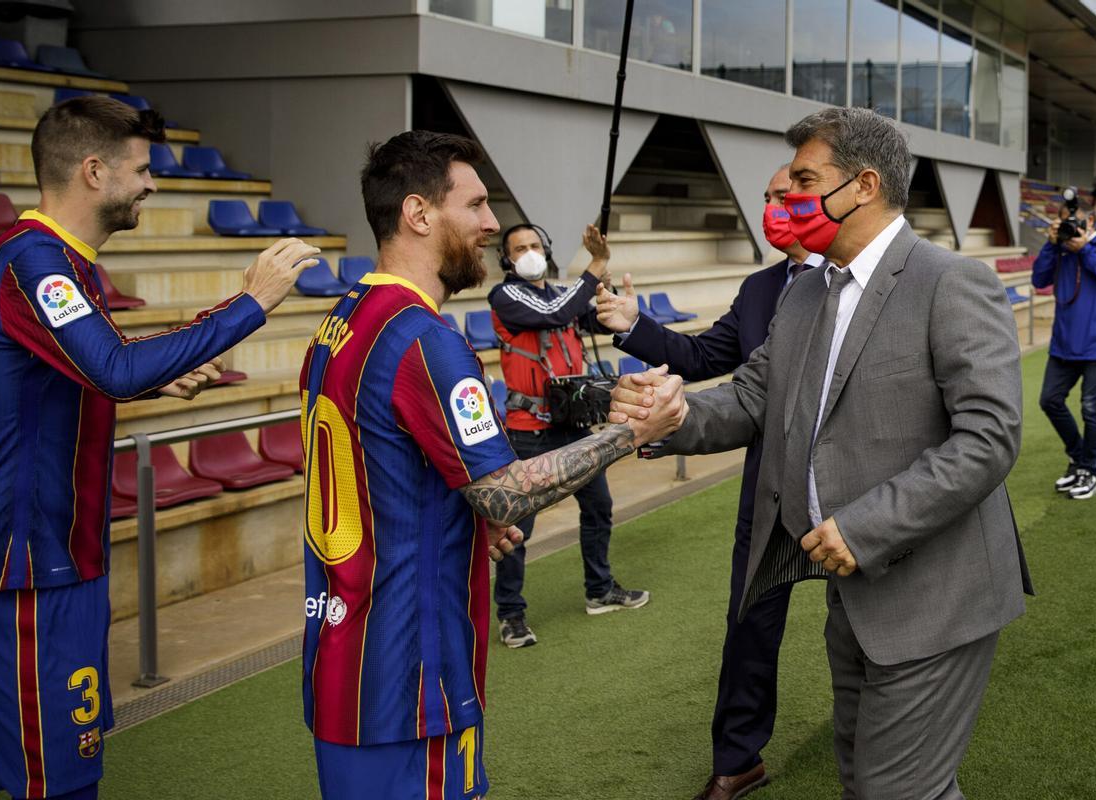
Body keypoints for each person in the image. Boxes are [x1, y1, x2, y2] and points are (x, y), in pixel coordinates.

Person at [611, 107, 1032, 799]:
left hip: (937, 597)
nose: (791, 200)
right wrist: (674, 414)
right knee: (870, 779)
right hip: (855, 602)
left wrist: (864, 528)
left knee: (895, 790)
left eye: (806, 180)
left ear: (864, 185)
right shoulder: (806, 290)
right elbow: (751, 398)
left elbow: (988, 439)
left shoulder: (950, 282)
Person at [299, 130, 685, 800]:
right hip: (409, 671)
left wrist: (466, 520)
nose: (490, 225)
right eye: (476, 205)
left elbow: (384, 472)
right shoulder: (424, 338)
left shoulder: (342, 318)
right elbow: (503, 496)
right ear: (419, 214)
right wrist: (630, 432)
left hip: (345, 654)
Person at [0, 96, 319, 800]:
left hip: (63, 555)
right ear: (94, 172)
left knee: (69, 763)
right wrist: (251, 301)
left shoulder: (63, 263)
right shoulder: (34, 264)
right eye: (142, 169)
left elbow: (80, 373)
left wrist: (150, 382)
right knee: (54, 781)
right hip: (28, 561)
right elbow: (113, 368)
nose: (153, 183)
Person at [594, 164, 824, 800]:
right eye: (768, 197)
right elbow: (700, 359)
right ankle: (738, 759)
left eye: (787, 196)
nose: (775, 208)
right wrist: (632, 324)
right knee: (748, 623)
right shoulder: (759, 289)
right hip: (769, 487)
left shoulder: (850, 283)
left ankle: (874, 740)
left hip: (847, 488)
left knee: (862, 623)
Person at [487, 222, 649, 648]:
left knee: (598, 508)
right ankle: (511, 614)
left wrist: (609, 294)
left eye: (535, 245)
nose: (529, 252)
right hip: (529, 432)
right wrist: (596, 263)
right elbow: (554, 315)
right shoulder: (505, 297)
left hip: (574, 425)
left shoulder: (562, 293)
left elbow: (592, 322)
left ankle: (600, 590)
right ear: (506, 259)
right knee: (517, 529)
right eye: (519, 248)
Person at [1032, 204, 1096, 500]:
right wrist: (1051, 245)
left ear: (1091, 221)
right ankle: (1078, 456)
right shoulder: (1060, 248)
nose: (1069, 228)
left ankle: (1089, 469)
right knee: (1049, 400)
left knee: (1091, 408)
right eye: (1064, 223)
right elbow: (1039, 280)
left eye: (1073, 222)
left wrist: (1085, 249)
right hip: (1064, 343)